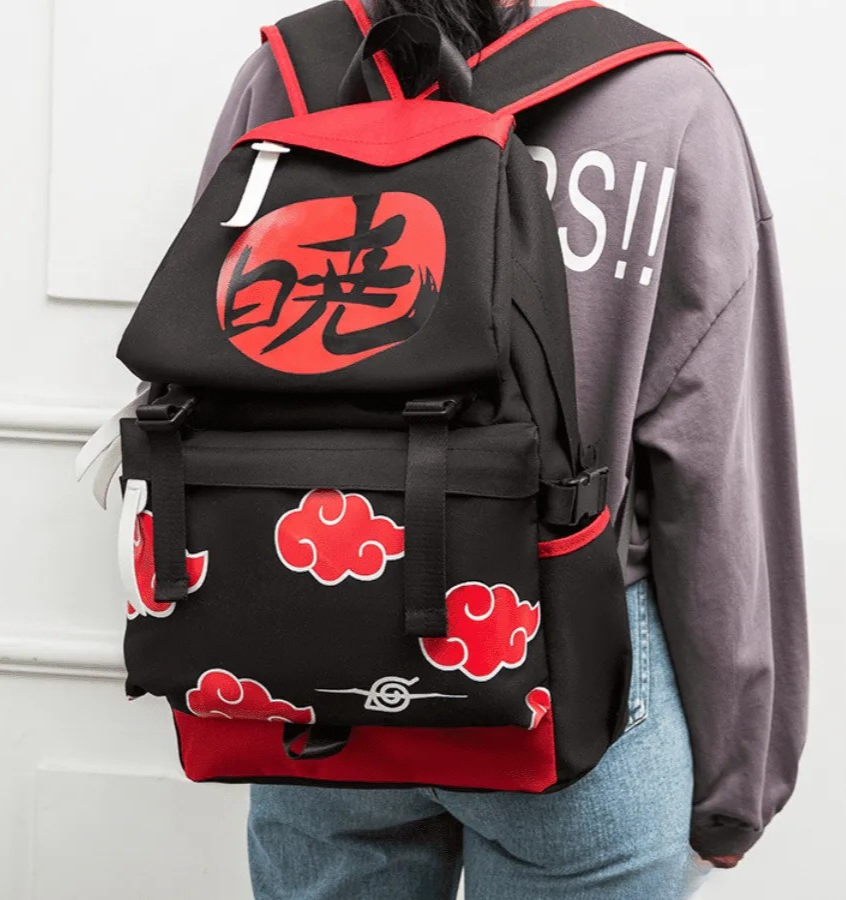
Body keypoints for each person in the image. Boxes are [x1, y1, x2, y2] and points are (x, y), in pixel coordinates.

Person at [194, 1, 808, 897]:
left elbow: (210, 370)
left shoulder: (287, 77)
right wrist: (740, 780)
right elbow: (716, 465)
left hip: (317, 652)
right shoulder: (664, 100)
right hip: (569, 673)